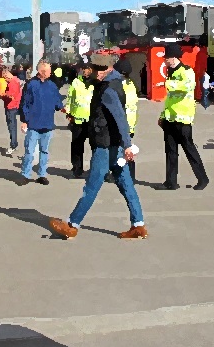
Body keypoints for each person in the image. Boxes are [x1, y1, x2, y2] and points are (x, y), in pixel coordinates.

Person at [49, 52, 147, 240]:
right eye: (95, 69)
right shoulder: (109, 83)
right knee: (126, 184)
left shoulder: (109, 90)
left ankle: (72, 224)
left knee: (92, 185)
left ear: (109, 69)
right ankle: (138, 225)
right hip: (113, 145)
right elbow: (93, 84)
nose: (96, 72)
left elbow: (121, 119)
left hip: (106, 146)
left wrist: (127, 145)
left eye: (100, 69)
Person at [157, 44, 210, 191]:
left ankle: (203, 179)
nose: (164, 61)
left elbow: (188, 86)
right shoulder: (171, 71)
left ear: (172, 58)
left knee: (189, 149)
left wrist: (167, 83)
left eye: (166, 58)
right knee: (170, 151)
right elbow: (170, 98)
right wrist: (162, 116)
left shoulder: (186, 71)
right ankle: (171, 182)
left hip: (183, 120)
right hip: (170, 118)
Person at [19, 61, 64, 185]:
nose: (50, 73)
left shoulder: (52, 86)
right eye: (48, 71)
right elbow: (24, 104)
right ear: (41, 71)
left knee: (45, 151)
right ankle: (26, 174)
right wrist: (24, 121)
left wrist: (65, 109)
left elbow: (57, 103)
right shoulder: (31, 85)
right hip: (33, 124)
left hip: (48, 124)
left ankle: (42, 175)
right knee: (29, 151)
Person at [64, 62, 94, 178]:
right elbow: (70, 98)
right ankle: (77, 168)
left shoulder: (95, 83)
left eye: (88, 69)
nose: (86, 71)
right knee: (77, 145)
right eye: (84, 69)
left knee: (95, 146)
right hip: (77, 120)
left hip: (92, 120)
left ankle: (95, 169)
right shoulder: (76, 82)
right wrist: (69, 113)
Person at [0, 66, 22, 157]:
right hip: (15, 105)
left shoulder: (12, 83)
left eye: (4, 77)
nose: (5, 79)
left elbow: (11, 96)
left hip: (11, 106)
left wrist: (2, 94)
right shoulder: (16, 80)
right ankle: (14, 144)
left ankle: (13, 145)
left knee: (11, 126)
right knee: (12, 125)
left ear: (6, 74)